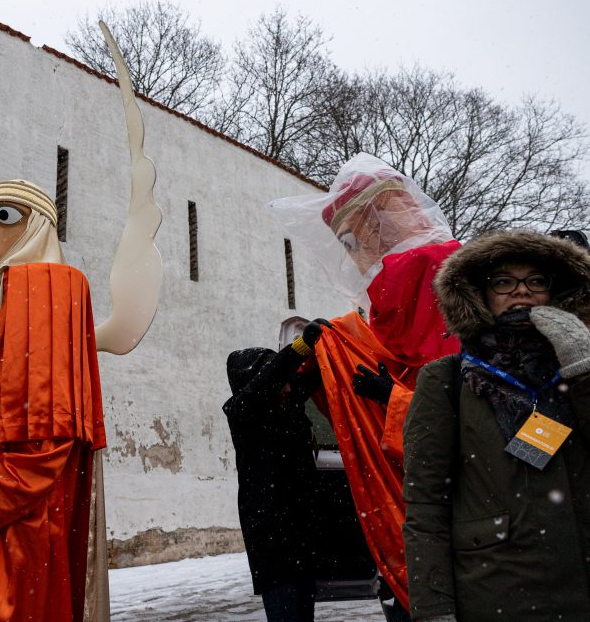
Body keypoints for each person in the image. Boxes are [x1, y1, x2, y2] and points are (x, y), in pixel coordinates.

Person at [271, 154, 461, 618]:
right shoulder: (380, 302)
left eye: (355, 238)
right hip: (428, 495)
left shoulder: (440, 276)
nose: (354, 255)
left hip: (449, 494)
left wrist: (393, 400)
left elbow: (464, 408)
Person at [0, 180, 108, 621]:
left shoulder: (51, 289)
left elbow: (42, 451)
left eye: (6, 215)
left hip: (25, 535)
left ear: (39, 228)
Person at [403, 230, 590, 620]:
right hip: (497, 593)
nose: (521, 292)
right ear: (479, 295)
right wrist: (434, 608)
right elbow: (426, 505)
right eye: (504, 282)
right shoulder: (447, 379)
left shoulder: (580, 368)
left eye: (536, 281)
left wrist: (582, 365)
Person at [222, 322, 325, 621]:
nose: (289, 386)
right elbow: (270, 379)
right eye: (283, 380)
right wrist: (300, 347)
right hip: (275, 550)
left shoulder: (285, 406)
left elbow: (306, 379)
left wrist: (329, 348)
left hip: (300, 544)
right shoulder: (243, 410)